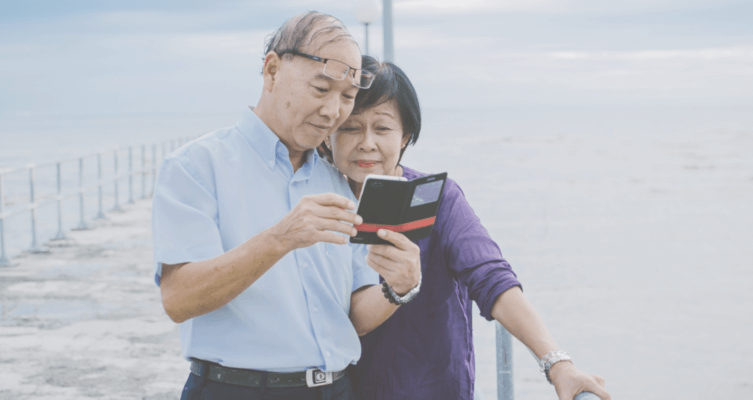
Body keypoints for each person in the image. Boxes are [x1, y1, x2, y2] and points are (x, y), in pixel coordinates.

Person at [151, 13, 421, 400]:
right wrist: (281, 237)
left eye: (346, 97)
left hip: (336, 389)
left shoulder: (335, 179)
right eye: (321, 88)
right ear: (272, 70)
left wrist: (400, 287)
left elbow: (354, 317)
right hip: (235, 390)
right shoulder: (195, 166)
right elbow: (178, 300)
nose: (333, 111)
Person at [321, 56, 613, 400]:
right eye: (351, 128)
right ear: (328, 134)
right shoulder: (314, 201)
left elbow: (491, 276)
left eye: (383, 128)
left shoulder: (436, 197)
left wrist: (558, 364)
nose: (367, 142)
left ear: (405, 136)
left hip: (430, 389)